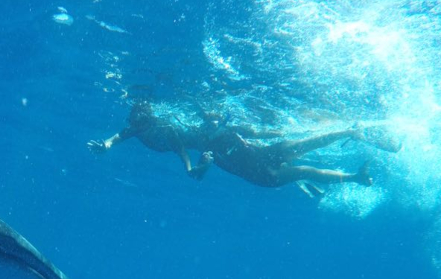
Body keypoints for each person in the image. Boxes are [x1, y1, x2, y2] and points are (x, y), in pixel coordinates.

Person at [87, 101, 376, 190]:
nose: (214, 120)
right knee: (306, 169)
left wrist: (280, 129)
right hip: (264, 175)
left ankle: (349, 132)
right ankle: (354, 177)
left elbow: (261, 134)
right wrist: (200, 167)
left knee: (299, 145)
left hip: (263, 158)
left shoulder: (223, 130)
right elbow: (197, 159)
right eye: (210, 118)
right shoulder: (201, 140)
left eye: (216, 117)